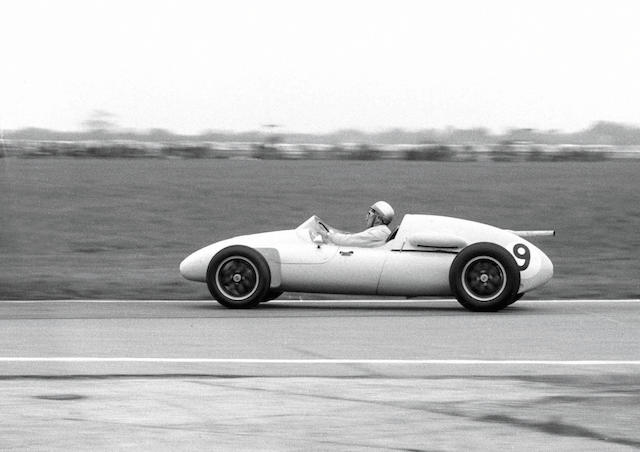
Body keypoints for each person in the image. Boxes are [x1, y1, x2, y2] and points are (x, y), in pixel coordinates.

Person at [322, 201, 395, 247]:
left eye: (369, 214)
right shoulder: (382, 232)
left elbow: (348, 241)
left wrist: (328, 235)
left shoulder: (377, 234)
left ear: (378, 219)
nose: (366, 218)